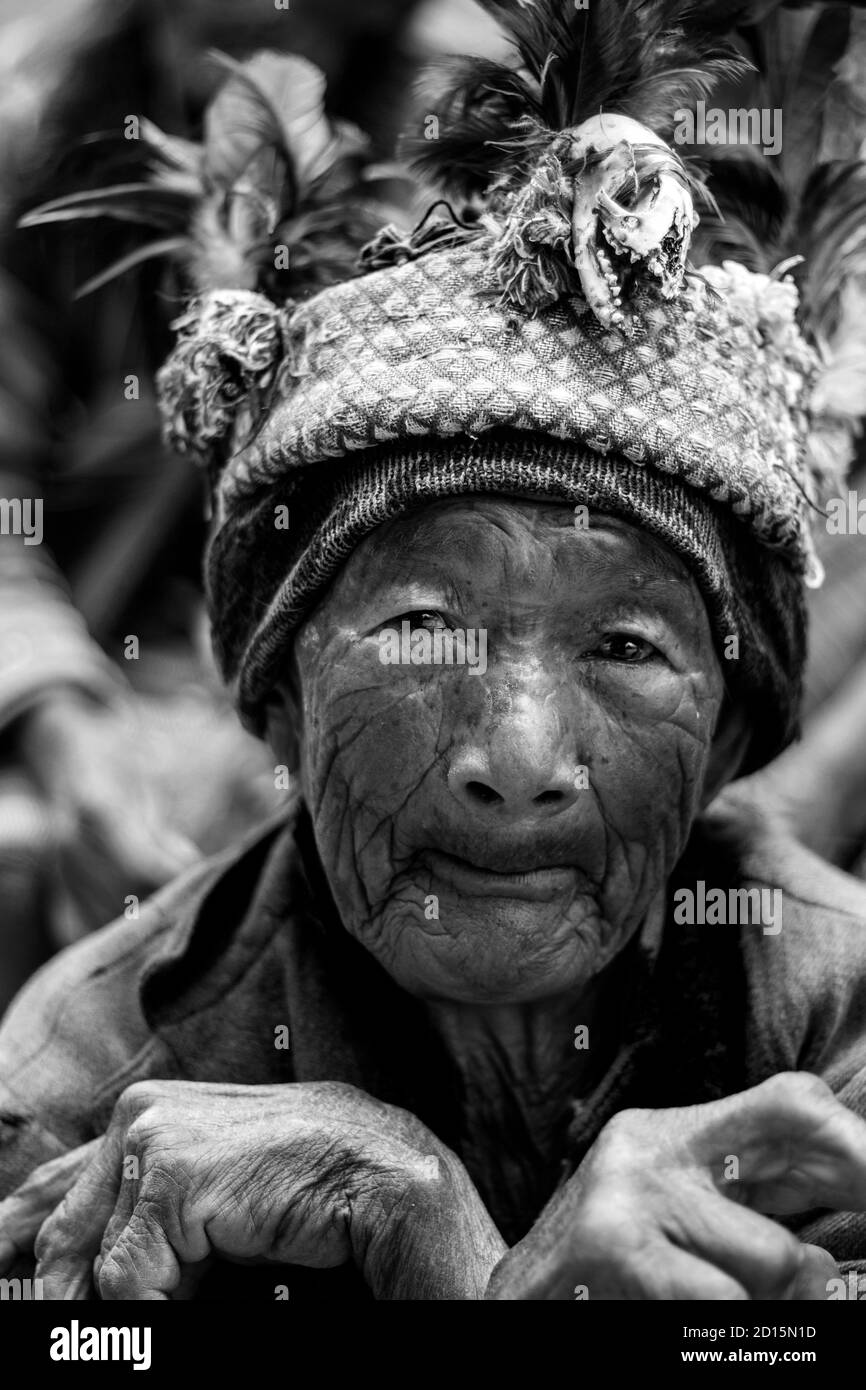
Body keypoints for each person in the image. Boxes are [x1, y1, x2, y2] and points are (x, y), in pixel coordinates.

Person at [2, 0, 866, 1300]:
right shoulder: (95, 1068)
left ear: (731, 737)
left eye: (626, 646)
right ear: (277, 696)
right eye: (419, 626)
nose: (516, 760)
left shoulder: (830, 1013)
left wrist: (461, 1270)